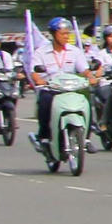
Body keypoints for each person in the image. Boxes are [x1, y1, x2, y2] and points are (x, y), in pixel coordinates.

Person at [29, 17, 97, 147]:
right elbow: (34, 71)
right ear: (54, 34)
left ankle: (86, 138)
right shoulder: (41, 52)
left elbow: (84, 70)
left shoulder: (75, 51)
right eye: (63, 33)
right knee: (44, 103)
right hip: (51, 89)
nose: (67, 36)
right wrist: (39, 80)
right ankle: (43, 136)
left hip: (70, 90)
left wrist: (91, 77)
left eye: (68, 33)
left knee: (86, 104)